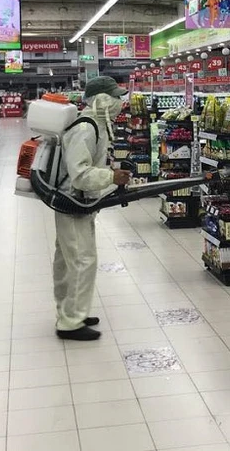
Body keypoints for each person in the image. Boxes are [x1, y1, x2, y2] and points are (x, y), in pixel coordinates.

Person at [52, 76, 130, 341]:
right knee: (82, 260)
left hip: (78, 202)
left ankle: (70, 311)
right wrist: (111, 177)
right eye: (116, 97)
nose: (120, 102)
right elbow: (80, 174)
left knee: (67, 260)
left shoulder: (96, 124)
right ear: (102, 99)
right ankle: (71, 323)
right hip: (72, 201)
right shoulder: (86, 128)